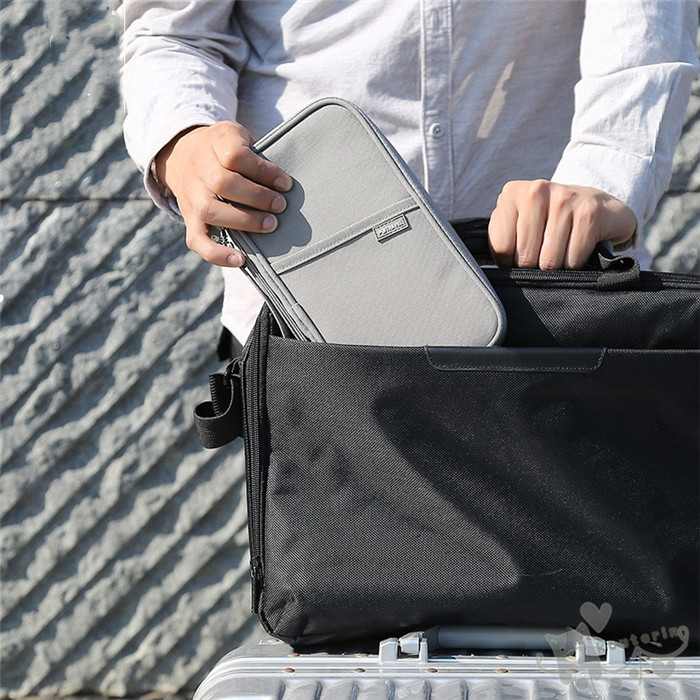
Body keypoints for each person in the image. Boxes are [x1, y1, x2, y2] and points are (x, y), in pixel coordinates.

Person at [118, 0, 699, 348]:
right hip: (308, 306)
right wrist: (183, 141)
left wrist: (605, 168)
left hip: (556, 289)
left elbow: (644, 23)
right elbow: (173, 31)